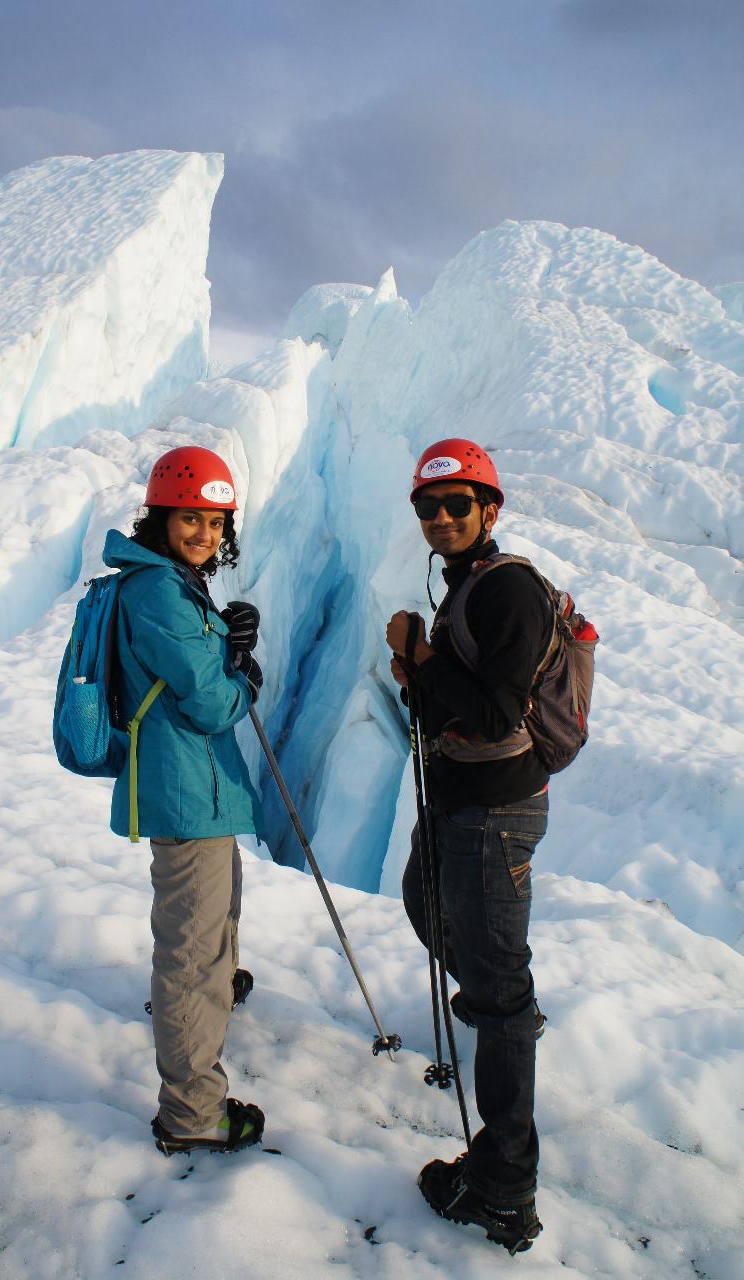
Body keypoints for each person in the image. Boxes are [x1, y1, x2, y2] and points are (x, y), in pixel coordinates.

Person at [385, 438, 552, 1253]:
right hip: (458, 804)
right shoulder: (464, 589)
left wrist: (420, 658)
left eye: (457, 504)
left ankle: (500, 1189)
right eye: (429, 506)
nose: (442, 518)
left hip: (494, 814)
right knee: (427, 908)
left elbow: (496, 714)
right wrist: (416, 672)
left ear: (490, 509)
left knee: (495, 987)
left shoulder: (508, 591)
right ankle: (501, 1016)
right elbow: (457, 700)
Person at [102, 444, 266, 1155]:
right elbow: (207, 701)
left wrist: (224, 641)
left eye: (215, 523)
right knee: (190, 950)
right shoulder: (158, 591)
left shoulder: (171, 582)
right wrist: (245, 674)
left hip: (198, 786)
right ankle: (193, 1112)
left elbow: (191, 669)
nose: (203, 534)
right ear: (161, 517)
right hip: (184, 784)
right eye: (190, 519)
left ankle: (208, 999)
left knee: (210, 930)